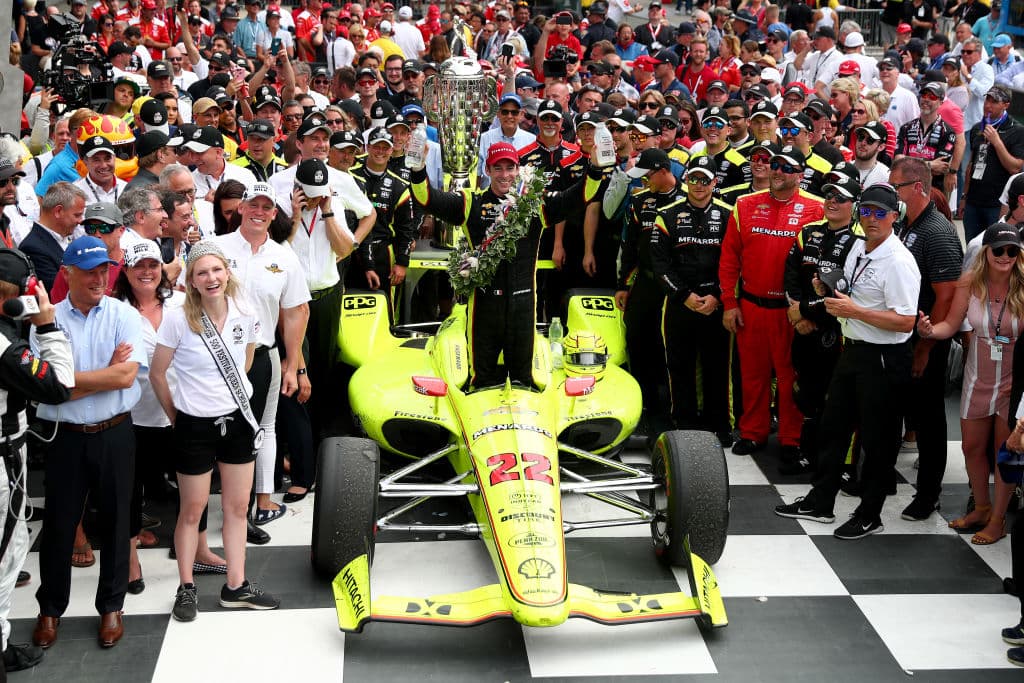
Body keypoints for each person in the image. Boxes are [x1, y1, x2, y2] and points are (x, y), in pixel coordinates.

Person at [775, 183, 920, 539]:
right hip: (853, 348)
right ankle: (821, 501)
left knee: (877, 439)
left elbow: (906, 321)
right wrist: (828, 291)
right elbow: (852, 292)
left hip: (884, 356)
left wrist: (855, 310)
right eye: (866, 211)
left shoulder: (899, 261)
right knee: (833, 427)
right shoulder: (859, 247)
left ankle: (870, 514)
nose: (872, 219)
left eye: (880, 213)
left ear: (894, 216)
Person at [149, 240, 280, 623]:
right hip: (194, 425)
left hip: (237, 420)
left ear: (227, 272)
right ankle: (186, 587)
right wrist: (177, 417)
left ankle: (236, 586)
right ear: (191, 280)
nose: (211, 278)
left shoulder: (244, 310)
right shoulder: (178, 318)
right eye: (202, 272)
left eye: (217, 270)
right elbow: (158, 373)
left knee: (237, 508)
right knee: (192, 510)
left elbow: (247, 359)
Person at [408, 141, 600, 388]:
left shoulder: (534, 203)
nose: (504, 175)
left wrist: (595, 168)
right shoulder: (471, 203)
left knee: (523, 381)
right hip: (484, 306)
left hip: (523, 305)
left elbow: (579, 197)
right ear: (487, 170)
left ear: (518, 170)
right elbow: (427, 199)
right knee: (482, 379)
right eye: (498, 168)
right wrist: (418, 169)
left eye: (510, 168)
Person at [32, 236, 146, 650]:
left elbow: (125, 376)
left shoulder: (123, 314)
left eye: (103, 271)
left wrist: (67, 382)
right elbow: (45, 389)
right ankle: (50, 609)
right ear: (68, 273)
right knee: (59, 525)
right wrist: (102, 375)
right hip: (64, 437)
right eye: (89, 272)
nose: (99, 279)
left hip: (114, 432)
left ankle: (111, 607)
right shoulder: (46, 320)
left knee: (116, 523)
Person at [212, 183, 310, 533]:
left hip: (264, 356)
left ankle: (264, 501)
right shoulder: (216, 247)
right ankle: (229, 507)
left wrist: (293, 365)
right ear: (241, 208)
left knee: (264, 428)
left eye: (266, 207)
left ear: (274, 214)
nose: (259, 212)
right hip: (216, 355)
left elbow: (297, 311)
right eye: (253, 204)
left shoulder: (284, 256)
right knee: (220, 429)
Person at [918, 223, 1023, 545]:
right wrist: (929, 331)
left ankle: (998, 520)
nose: (1005, 256)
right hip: (977, 376)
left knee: (1004, 452)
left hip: (1013, 381)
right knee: (971, 447)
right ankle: (981, 508)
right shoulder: (970, 282)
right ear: (986, 252)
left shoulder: (1022, 284)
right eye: (999, 250)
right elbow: (951, 324)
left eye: (1012, 251)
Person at [719, 145, 824, 456]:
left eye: (787, 167)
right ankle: (753, 432)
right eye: (775, 165)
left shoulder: (817, 208)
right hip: (751, 307)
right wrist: (729, 303)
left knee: (791, 377)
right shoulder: (744, 204)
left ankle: (791, 438)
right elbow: (729, 258)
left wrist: (809, 311)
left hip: (792, 311)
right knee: (753, 376)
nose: (778, 171)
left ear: (801, 175)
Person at [0, 249, 74, 673]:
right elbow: (60, 384)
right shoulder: (7, 350)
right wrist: (46, 326)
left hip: (10, 449)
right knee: (7, 554)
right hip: (4, 458)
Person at [782, 176, 863, 475]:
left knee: (840, 399)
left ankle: (842, 463)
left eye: (840, 198)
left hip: (839, 332)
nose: (832, 201)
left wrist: (806, 311)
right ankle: (809, 453)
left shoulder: (860, 241)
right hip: (804, 328)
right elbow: (790, 276)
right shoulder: (808, 232)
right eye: (829, 195)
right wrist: (798, 315)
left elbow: (847, 293)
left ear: (854, 205)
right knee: (806, 394)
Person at [649, 155, 733, 440]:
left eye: (705, 179)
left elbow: (735, 262)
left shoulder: (729, 214)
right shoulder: (666, 214)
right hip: (679, 302)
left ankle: (719, 425)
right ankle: (683, 423)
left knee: (717, 367)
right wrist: (684, 295)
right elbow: (659, 265)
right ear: (685, 180)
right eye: (694, 178)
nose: (699, 184)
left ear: (714, 182)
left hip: (716, 304)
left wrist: (717, 296)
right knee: (679, 366)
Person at [962, 84, 1024, 243]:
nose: (988, 105)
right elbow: (971, 164)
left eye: (994, 101)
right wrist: (964, 197)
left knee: (993, 247)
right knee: (972, 247)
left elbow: (1015, 168)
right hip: (973, 202)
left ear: (1006, 105)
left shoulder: (1017, 130)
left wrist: (996, 142)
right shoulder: (978, 128)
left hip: (997, 204)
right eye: (987, 100)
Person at [19, 183, 87, 293]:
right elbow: (58, 292)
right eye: (77, 215)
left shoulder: (66, 239)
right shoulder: (33, 248)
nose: (80, 221)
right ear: (58, 211)